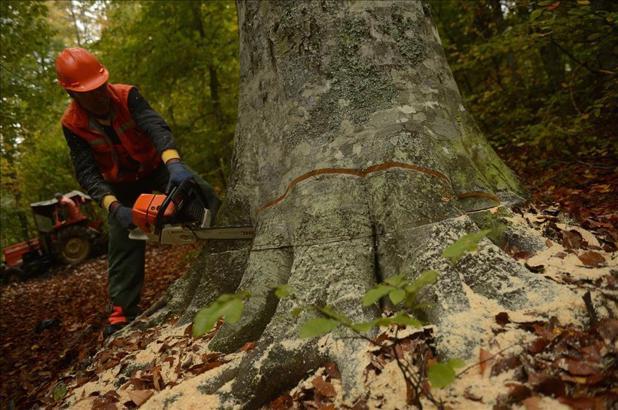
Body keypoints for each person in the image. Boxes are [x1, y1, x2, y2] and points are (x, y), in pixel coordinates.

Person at [55, 47, 220, 336]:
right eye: (88, 91)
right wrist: (114, 207)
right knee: (122, 240)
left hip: (157, 166)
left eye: (100, 87)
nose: (97, 94)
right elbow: (87, 172)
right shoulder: (72, 124)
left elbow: (156, 127)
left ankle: (227, 234)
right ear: (73, 94)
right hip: (121, 185)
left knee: (199, 189)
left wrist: (175, 165)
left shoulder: (127, 95)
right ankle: (122, 310)